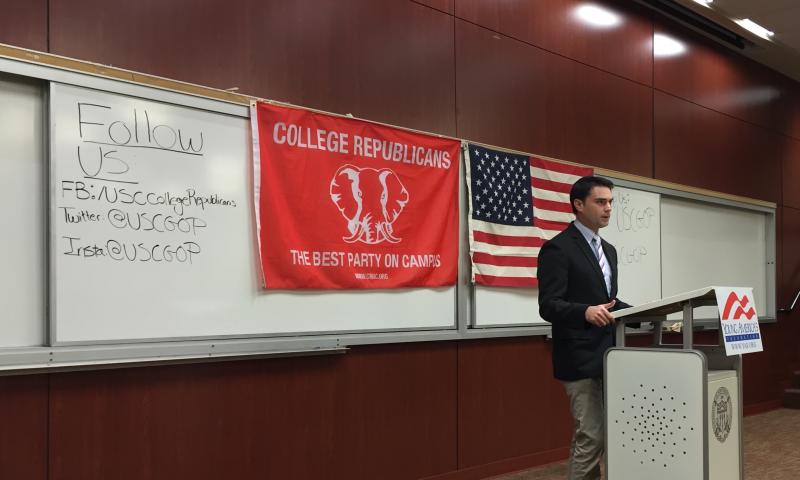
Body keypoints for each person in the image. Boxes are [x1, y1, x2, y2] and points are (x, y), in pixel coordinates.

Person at [537, 175, 631, 480]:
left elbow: (609, 302)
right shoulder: (558, 249)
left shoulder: (609, 250)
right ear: (578, 205)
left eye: (610, 202)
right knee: (591, 437)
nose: (608, 209)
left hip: (610, 356)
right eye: (600, 202)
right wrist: (584, 312)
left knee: (608, 436)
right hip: (578, 358)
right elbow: (548, 305)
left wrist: (656, 314)